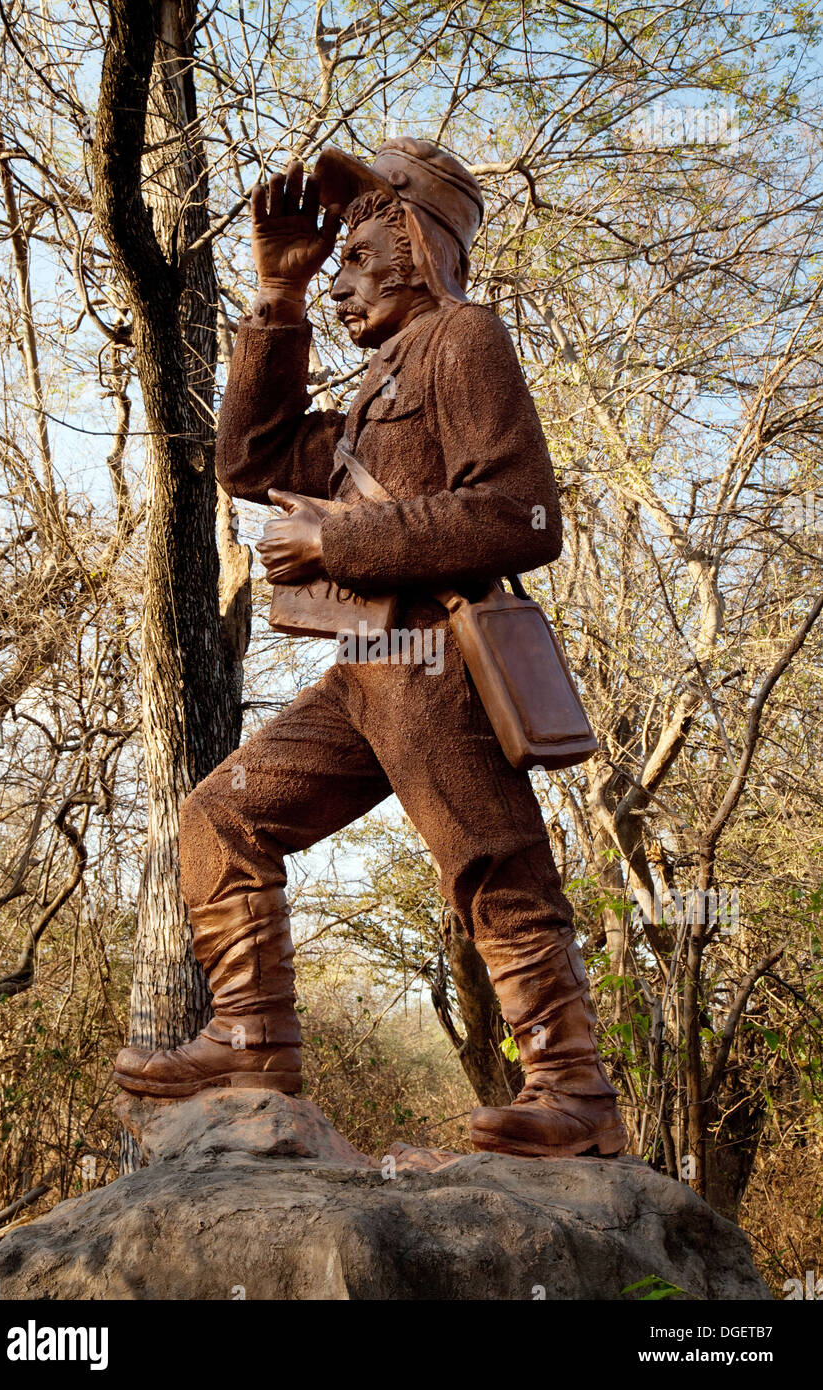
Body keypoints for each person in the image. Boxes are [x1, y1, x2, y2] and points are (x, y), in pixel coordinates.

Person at [113, 138, 626, 1159]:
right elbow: (247, 460)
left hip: (437, 661)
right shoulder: (367, 389)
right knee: (220, 815)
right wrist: (277, 298)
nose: (338, 275)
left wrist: (338, 537)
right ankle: (252, 1038)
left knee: (492, 863)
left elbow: (524, 515)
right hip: (363, 677)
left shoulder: (461, 339)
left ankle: (571, 1091)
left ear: (409, 235)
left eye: (351, 252)